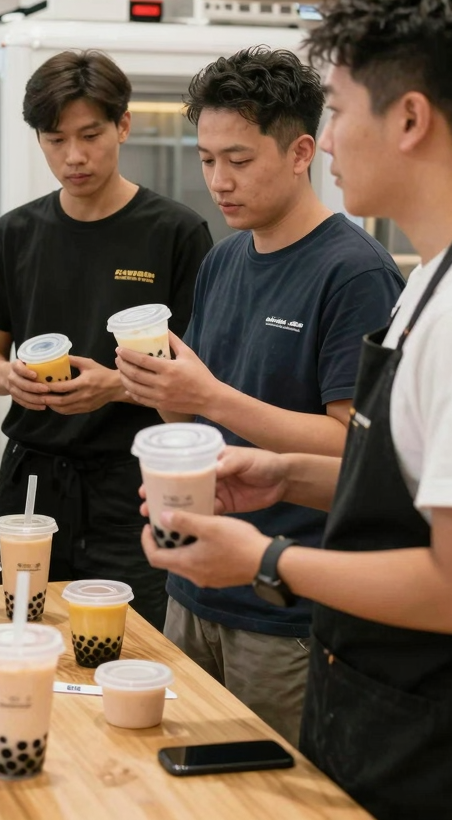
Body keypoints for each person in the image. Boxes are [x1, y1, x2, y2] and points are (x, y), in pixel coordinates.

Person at [140, 0, 452, 820]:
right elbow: (408, 484)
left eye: (340, 111)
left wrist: (263, 558)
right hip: (396, 698)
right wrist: (284, 476)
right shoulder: (440, 282)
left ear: (411, 119)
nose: (332, 140)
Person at [115, 46, 403, 744]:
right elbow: (193, 414)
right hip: (192, 584)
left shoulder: (354, 272)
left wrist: (210, 396)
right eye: (208, 158)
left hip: (287, 611)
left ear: (303, 150)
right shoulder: (224, 259)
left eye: (239, 160)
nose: (218, 180)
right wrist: (158, 388)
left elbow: (353, 447)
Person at [0, 50, 213, 630]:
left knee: (130, 642)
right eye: (55, 140)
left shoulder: (175, 233)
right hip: (32, 478)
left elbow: (201, 388)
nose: (73, 156)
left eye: (90, 135)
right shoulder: (17, 233)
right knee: (21, 634)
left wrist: (117, 387)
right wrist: (11, 379)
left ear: (123, 125)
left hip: (130, 486)